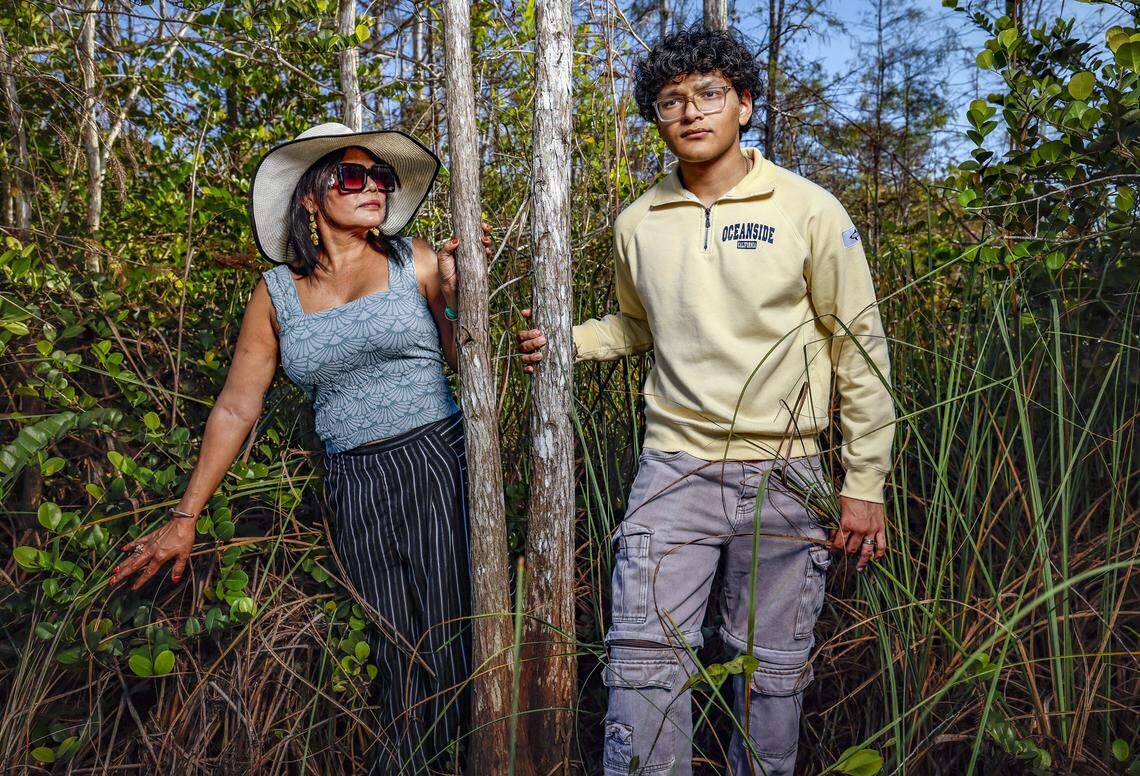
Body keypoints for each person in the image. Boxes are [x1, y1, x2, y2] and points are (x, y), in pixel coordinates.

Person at [517, 24, 896, 776]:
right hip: (674, 471)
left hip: (787, 474)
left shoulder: (809, 209)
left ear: (745, 105)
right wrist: (565, 340)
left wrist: (864, 485)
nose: (691, 112)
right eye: (670, 102)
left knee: (773, 671)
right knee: (643, 662)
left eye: (710, 94)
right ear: (657, 119)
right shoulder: (637, 222)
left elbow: (859, 347)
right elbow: (635, 325)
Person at [109, 122, 493, 774]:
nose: (373, 187)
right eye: (353, 176)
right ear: (311, 197)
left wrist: (458, 299)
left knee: (453, 634)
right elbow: (236, 406)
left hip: (435, 457)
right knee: (395, 643)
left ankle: (471, 758)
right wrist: (185, 517)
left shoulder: (416, 260)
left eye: (381, 178)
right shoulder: (276, 292)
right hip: (352, 479)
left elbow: (468, 362)